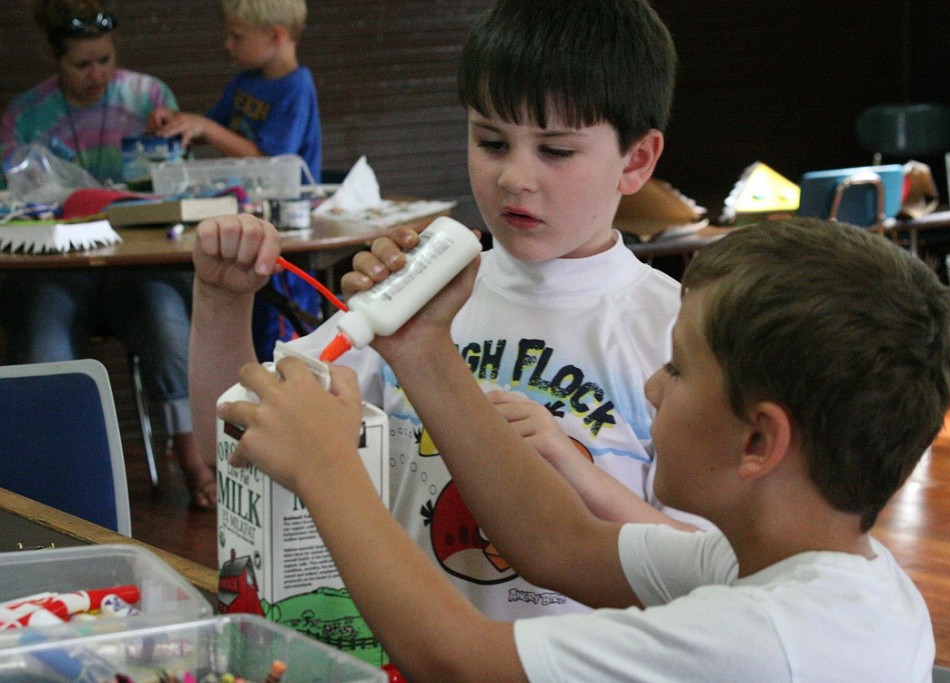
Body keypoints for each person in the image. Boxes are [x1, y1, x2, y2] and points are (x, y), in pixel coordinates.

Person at [215, 216, 950, 681]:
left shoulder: (767, 640)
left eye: (678, 368)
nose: (652, 384)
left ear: (759, 439)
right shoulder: (789, 568)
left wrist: (327, 468)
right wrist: (423, 349)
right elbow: (560, 541)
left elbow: (456, 660)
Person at [190, 0, 702, 622]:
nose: (515, 176)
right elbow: (238, 438)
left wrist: (573, 467)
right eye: (491, 141)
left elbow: (710, 570)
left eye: (557, 151)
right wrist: (222, 300)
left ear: (637, 160)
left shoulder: (677, 330)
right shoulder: (417, 292)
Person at [0, 0, 215, 512]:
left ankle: (193, 456)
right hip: (58, 271)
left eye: (105, 60)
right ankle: (49, 490)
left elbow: (175, 186)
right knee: (41, 353)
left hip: (136, 269)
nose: (97, 74)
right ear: (57, 61)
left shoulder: (149, 96)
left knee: (169, 327)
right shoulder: (26, 116)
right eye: (82, 65)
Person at [148, 0, 322, 363]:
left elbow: (268, 162)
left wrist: (208, 128)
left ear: (276, 35)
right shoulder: (245, 82)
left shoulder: (296, 87)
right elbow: (209, 128)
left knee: (277, 341)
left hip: (286, 230)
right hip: (250, 219)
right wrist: (180, 122)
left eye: (236, 36)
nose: (228, 45)